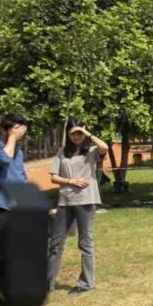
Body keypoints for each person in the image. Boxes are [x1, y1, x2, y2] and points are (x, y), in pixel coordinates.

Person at [47, 119, 109, 294]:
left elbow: (105, 147)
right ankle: (47, 282)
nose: (76, 136)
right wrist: (70, 181)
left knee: (85, 242)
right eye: (73, 133)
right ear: (68, 134)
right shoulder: (62, 152)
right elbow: (53, 177)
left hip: (85, 201)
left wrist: (87, 133)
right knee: (55, 243)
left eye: (79, 133)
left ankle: (86, 283)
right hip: (65, 202)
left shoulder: (91, 151)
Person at [0, 114, 30, 229]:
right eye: (17, 131)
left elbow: (20, 174)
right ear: (3, 130)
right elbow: (4, 159)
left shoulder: (18, 150)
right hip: (1, 207)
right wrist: (12, 137)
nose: (19, 135)